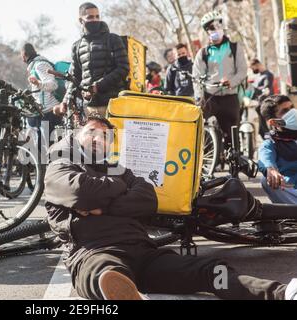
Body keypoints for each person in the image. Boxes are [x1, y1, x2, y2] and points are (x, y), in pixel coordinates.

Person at [44, 112, 297, 300]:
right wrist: (118, 191)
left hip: (145, 252)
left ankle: (283, 294)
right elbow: (79, 191)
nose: (99, 138)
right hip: (95, 252)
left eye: (106, 135)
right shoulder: (60, 166)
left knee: (212, 270)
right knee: (106, 274)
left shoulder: (122, 170)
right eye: (92, 132)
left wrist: (101, 205)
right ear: (78, 134)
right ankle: (125, 293)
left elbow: (148, 199)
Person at [54, 2, 129, 118]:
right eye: (90, 17)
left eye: (97, 16)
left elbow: (123, 69)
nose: (95, 20)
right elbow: (74, 78)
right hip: (89, 107)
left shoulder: (114, 39)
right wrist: (65, 101)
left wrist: (98, 86)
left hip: (113, 105)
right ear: (81, 20)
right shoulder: (77, 46)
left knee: (111, 136)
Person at [193, 10, 248, 146]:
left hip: (230, 96)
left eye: (218, 26)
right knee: (203, 133)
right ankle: (209, 159)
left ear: (222, 26)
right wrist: (199, 97)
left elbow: (242, 71)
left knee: (232, 137)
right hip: (210, 96)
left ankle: (235, 159)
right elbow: (196, 76)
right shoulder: (203, 53)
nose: (215, 29)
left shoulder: (235, 48)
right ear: (207, 31)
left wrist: (232, 82)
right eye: (211, 28)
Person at [21, 43, 62, 151]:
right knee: (40, 147)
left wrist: (39, 83)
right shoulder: (34, 66)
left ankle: (52, 167)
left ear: (24, 54)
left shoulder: (40, 65)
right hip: (42, 111)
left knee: (48, 148)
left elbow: (53, 85)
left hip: (50, 111)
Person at [258, 95, 297, 205]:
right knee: (266, 181)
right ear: (274, 122)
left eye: (292, 107)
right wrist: (271, 169)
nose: (293, 112)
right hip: (292, 190)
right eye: (285, 111)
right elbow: (265, 157)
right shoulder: (271, 143)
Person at [250, 58, 275, 138]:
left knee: (265, 128)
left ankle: (269, 138)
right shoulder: (258, 75)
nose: (252, 70)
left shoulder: (268, 75)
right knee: (261, 129)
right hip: (257, 103)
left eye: (252, 68)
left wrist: (260, 93)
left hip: (264, 103)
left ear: (257, 65)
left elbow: (266, 89)